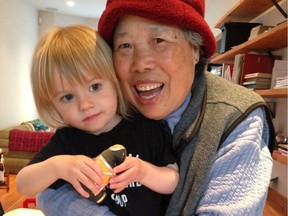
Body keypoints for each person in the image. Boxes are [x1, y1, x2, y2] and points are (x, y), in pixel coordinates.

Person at [35, 0, 276, 215]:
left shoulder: (237, 118)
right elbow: (48, 193)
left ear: (196, 49)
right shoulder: (107, 109)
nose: (140, 64)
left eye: (158, 40)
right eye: (125, 46)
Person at [16, 24, 179, 216]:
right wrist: (58, 167)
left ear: (114, 80)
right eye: (67, 97)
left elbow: (173, 180)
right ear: (52, 105)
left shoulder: (146, 127)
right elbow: (23, 185)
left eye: (95, 87)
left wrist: (145, 172)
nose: (85, 105)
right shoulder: (67, 141)